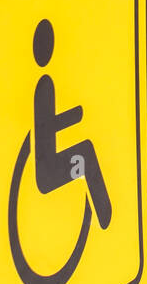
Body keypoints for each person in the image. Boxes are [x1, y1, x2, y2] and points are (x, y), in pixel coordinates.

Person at [30, 18, 112, 229]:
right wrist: (75, 115)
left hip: (45, 161)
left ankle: (105, 215)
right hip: (47, 169)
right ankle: (105, 213)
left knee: (85, 150)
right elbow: (46, 128)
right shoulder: (44, 85)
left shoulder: (44, 82)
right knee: (86, 150)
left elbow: (45, 127)